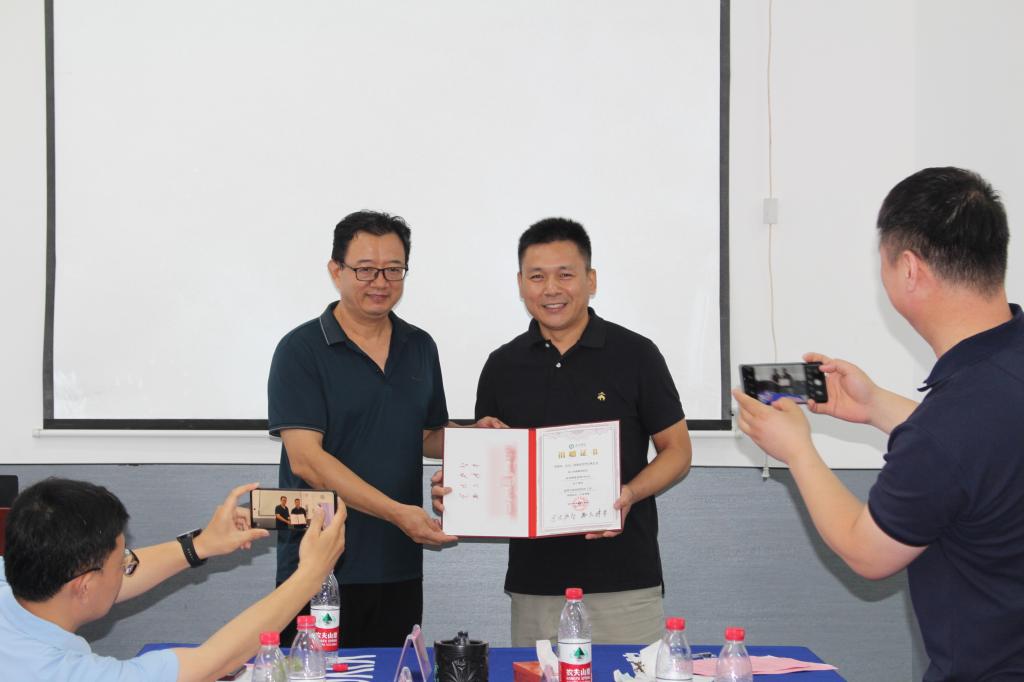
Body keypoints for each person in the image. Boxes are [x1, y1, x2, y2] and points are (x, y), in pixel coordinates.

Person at [733, 167, 1024, 680]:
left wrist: (798, 451)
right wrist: (877, 407)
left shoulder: (949, 424)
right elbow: (986, 454)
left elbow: (866, 552)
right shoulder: (993, 381)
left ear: (909, 269)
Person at [433, 218, 692, 645]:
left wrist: (629, 494)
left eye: (565, 274)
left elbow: (677, 451)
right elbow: (495, 471)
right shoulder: (502, 365)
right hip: (536, 585)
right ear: (521, 284)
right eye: (537, 276)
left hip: (623, 580)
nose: (551, 289)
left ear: (591, 280)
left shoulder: (636, 354)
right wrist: (461, 488)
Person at [268, 210, 502, 647]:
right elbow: (307, 461)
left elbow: (426, 435)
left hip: (398, 562)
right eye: (365, 269)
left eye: (394, 269)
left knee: (394, 672)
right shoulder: (300, 350)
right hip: (320, 563)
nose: (381, 281)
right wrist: (397, 512)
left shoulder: (420, 346)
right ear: (336, 271)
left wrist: (476, 439)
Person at [0, 478, 346, 682]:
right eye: (121, 562)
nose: (128, 566)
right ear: (84, 585)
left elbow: (110, 579)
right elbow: (210, 664)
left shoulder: (13, 579)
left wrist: (200, 545)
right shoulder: (66, 674)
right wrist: (310, 576)